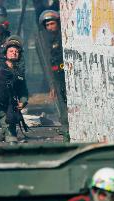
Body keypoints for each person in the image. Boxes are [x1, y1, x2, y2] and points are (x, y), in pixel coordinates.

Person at [39, 10, 70, 142]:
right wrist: (52, 84)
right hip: (57, 76)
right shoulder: (44, 41)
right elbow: (47, 63)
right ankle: (66, 127)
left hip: (68, 74)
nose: (51, 27)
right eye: (48, 25)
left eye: (53, 23)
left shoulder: (65, 35)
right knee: (61, 103)